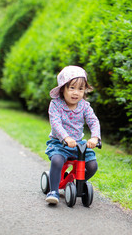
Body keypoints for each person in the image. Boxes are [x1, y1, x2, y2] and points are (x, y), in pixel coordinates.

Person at [45, 65, 101, 204]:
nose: (76, 92)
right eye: (72, 88)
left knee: (92, 165)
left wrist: (95, 137)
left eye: (80, 89)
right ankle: (54, 191)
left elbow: (93, 121)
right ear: (63, 88)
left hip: (79, 144)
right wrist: (66, 137)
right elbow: (56, 124)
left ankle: (77, 185)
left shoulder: (84, 106)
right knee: (57, 160)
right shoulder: (56, 105)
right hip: (60, 143)